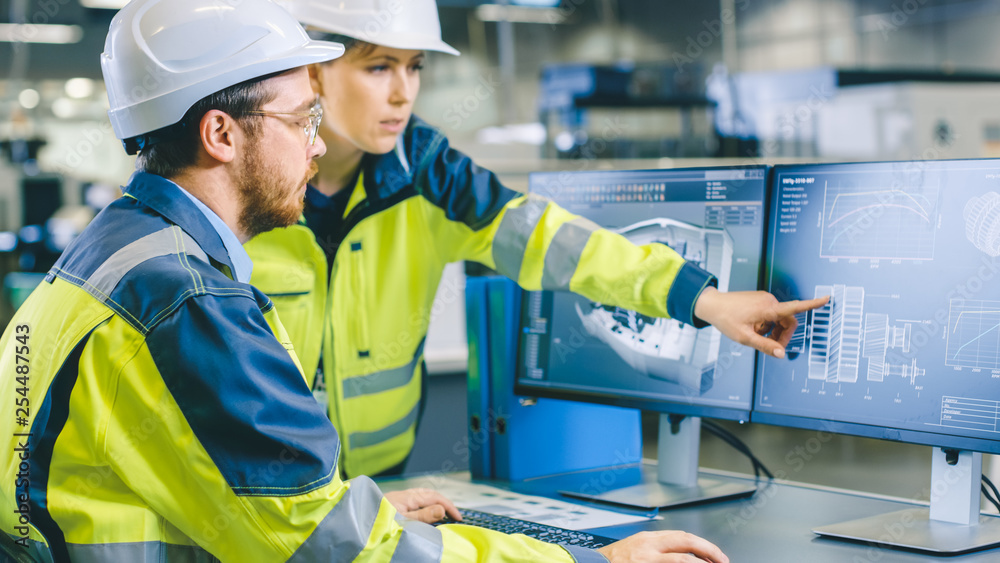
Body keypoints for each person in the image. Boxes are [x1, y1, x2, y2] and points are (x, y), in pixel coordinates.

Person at [0, 0, 730, 561]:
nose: (317, 145)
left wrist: (349, 509)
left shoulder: (114, 252)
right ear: (221, 133)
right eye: (301, 119)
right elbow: (340, 549)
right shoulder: (189, 302)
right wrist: (584, 555)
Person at [246, 0, 829, 479]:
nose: (404, 93)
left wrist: (702, 299)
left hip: (381, 484)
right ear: (315, 72)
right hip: (252, 489)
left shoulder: (431, 177)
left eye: (415, 66)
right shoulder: (245, 183)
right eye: (379, 68)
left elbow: (558, 244)